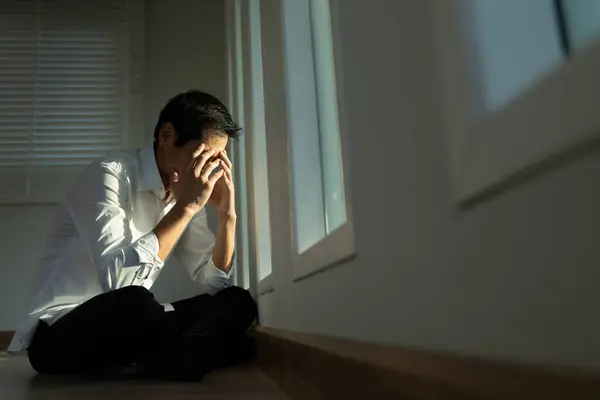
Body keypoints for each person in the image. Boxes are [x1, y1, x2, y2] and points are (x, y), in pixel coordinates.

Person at [7, 90, 257, 381]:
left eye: (217, 159)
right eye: (202, 155)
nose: (208, 169)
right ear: (167, 136)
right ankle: (194, 351)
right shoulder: (109, 174)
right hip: (60, 331)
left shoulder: (184, 191)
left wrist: (227, 215)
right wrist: (187, 207)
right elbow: (118, 283)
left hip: (135, 325)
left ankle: (176, 353)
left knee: (237, 300)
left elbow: (213, 281)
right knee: (136, 304)